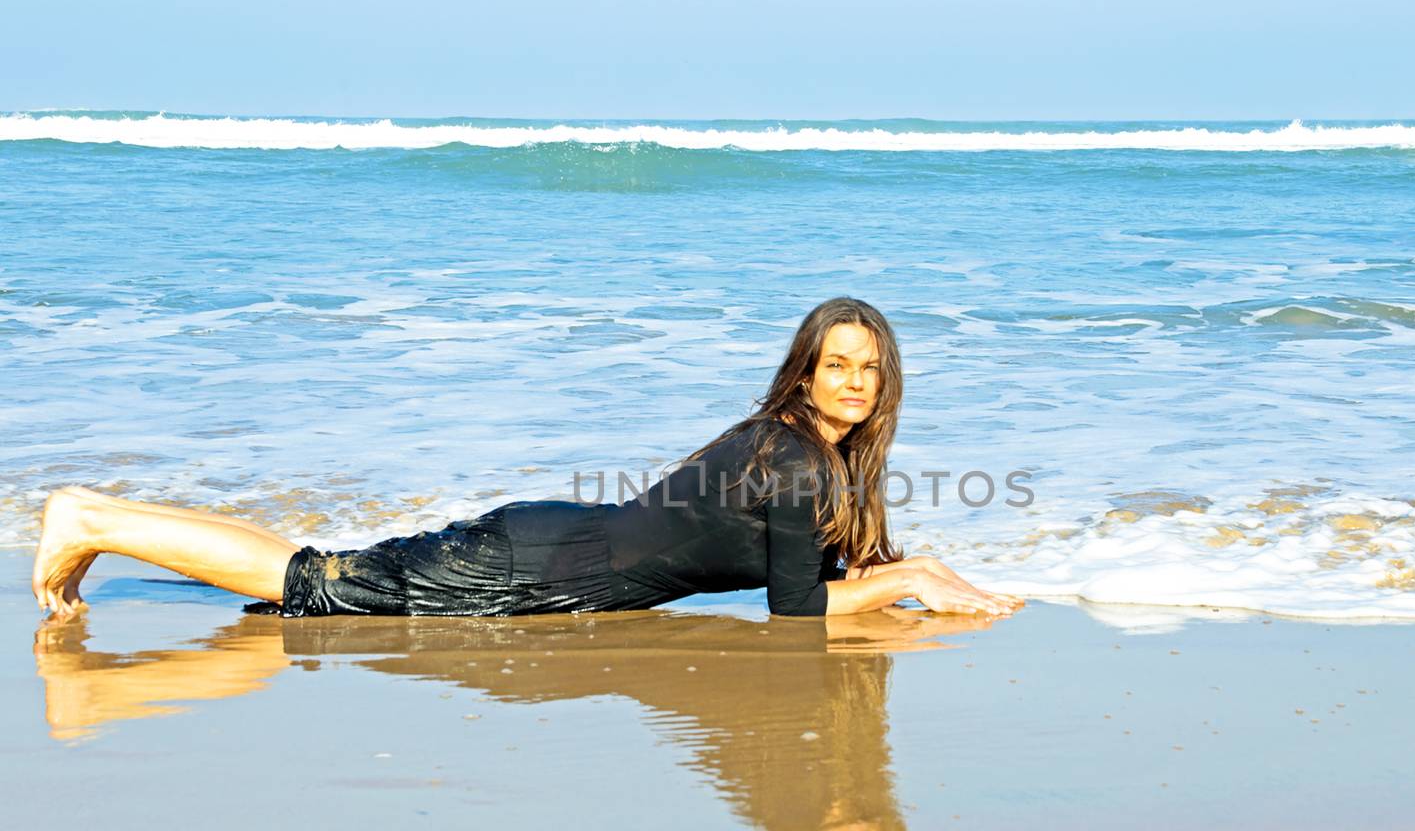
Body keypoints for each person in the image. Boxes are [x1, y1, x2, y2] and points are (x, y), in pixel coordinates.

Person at [32, 297, 1024, 622]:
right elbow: (797, 611)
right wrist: (924, 579)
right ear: (803, 376)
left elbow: (808, 580)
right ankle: (94, 518)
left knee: (317, 571)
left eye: (868, 365)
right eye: (834, 364)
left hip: (544, 549)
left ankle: (102, 520)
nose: (853, 379)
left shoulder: (799, 451)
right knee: (310, 583)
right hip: (525, 568)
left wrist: (911, 576)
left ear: (885, 376)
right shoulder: (799, 458)